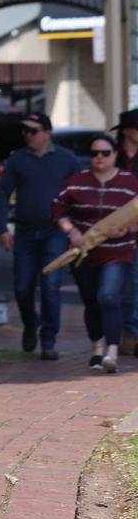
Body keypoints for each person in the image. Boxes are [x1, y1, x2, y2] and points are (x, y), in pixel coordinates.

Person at [0, 112, 80, 360]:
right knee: (23, 287)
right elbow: (2, 195)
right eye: (25, 131)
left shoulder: (66, 159)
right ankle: (31, 323)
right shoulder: (17, 160)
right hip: (25, 232)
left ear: (47, 133)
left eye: (33, 131)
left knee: (51, 287)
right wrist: (2, 228)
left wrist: (77, 228)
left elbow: (80, 193)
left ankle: (49, 339)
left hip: (55, 231)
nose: (27, 135)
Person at [51, 133, 137, 374]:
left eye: (105, 153)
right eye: (94, 153)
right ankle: (96, 348)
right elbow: (58, 210)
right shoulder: (77, 181)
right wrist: (71, 231)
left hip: (118, 251)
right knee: (91, 301)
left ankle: (112, 351)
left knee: (109, 297)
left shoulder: (130, 183)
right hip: (83, 252)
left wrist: (127, 228)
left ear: (115, 155)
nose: (99, 158)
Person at [111, 107, 138, 357]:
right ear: (128, 132)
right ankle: (127, 333)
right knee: (123, 285)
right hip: (114, 231)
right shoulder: (113, 158)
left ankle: (132, 333)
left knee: (135, 282)